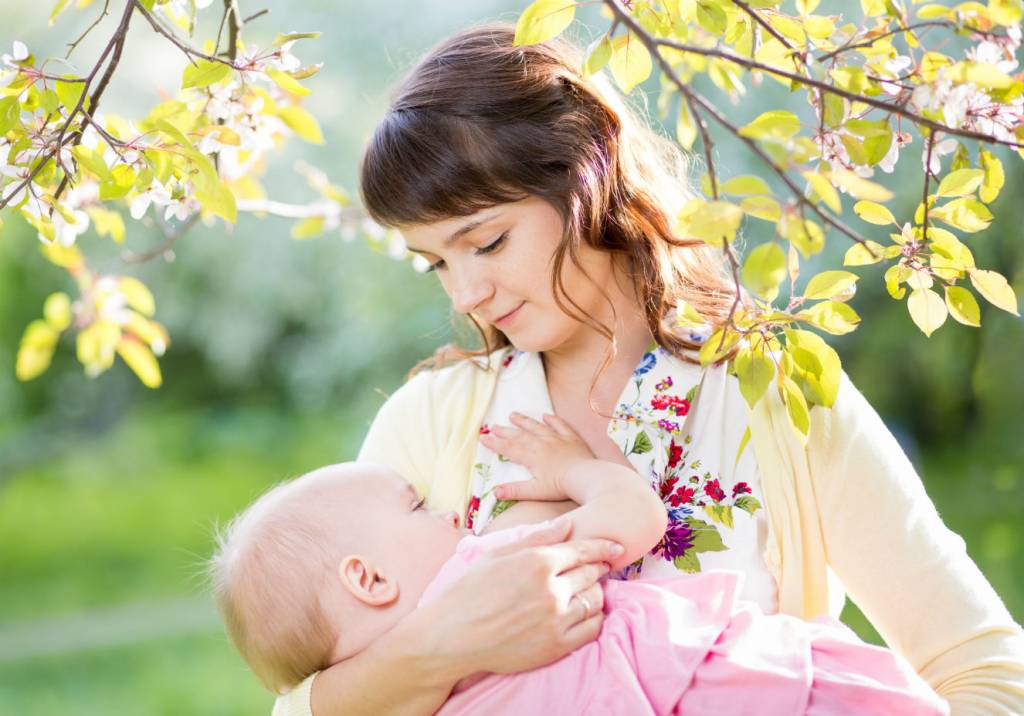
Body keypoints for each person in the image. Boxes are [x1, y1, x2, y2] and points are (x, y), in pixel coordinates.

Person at [272, 20, 1024, 716]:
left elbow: (986, 672)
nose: (467, 294)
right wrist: (446, 643)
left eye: (488, 242)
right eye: (436, 262)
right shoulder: (433, 420)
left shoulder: (772, 392)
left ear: (586, 174)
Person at [213, 416, 947, 715]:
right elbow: (636, 521)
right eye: (419, 507)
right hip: (748, 686)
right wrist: (574, 469)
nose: (449, 514)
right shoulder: (489, 564)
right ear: (369, 580)